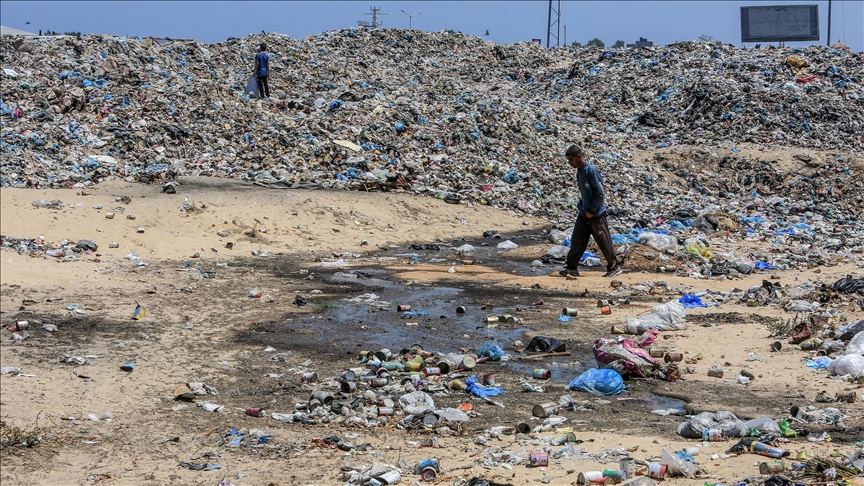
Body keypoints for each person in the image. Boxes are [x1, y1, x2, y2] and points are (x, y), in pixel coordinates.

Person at [560, 144, 622, 278]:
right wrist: (584, 208)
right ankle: (571, 267)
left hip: (596, 214)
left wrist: (592, 209)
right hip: (584, 213)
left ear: (579, 157)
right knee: (577, 240)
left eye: (571, 160)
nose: (569, 163)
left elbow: (600, 193)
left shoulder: (591, 170)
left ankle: (614, 266)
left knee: (603, 241)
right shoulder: (580, 172)